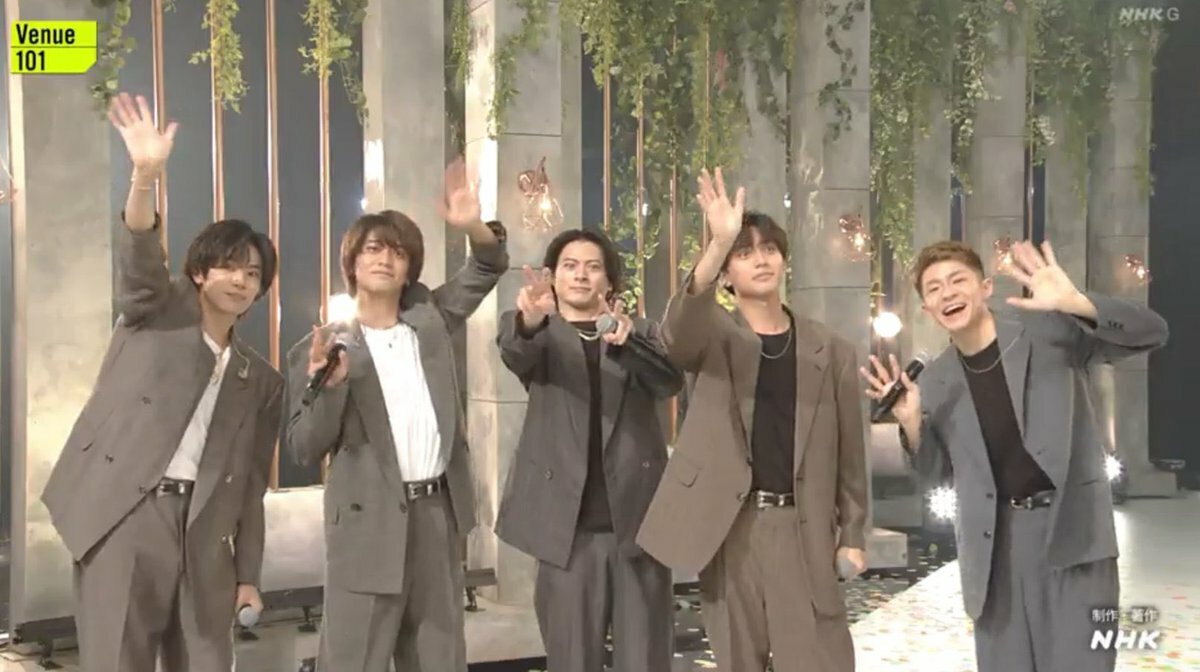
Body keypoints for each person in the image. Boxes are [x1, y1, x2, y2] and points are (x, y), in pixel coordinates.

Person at [41, 93, 283, 672]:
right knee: (116, 660)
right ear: (199, 272)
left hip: (204, 533)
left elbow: (251, 486)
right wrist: (145, 177)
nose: (240, 280)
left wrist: (248, 574)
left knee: (204, 661)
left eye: (253, 273)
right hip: (128, 514)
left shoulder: (261, 380)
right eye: (228, 266)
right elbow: (140, 258)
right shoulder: (155, 311)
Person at [861, 239, 1169, 672]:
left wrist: (1077, 303)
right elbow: (938, 477)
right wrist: (912, 424)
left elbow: (1152, 332)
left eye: (957, 280)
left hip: (1074, 531)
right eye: (934, 288)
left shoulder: (1048, 332)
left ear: (985, 287)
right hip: (994, 551)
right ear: (927, 309)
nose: (947, 293)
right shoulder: (935, 382)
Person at [636, 168, 867, 672]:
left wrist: (853, 532)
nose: (761, 260)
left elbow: (852, 454)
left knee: (820, 658)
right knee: (738, 657)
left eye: (769, 249)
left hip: (802, 525)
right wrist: (718, 242)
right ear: (726, 276)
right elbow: (676, 335)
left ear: (783, 260)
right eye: (745, 253)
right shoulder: (713, 338)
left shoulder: (832, 350)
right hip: (730, 525)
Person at [285, 162, 508, 672]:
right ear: (352, 262)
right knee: (354, 658)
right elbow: (302, 447)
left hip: (436, 515)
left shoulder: (431, 321)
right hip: (365, 523)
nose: (385, 259)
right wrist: (329, 389)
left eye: (398, 251)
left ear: (410, 270)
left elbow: (487, 267)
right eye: (373, 248)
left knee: (438, 657)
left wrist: (472, 224)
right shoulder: (321, 348)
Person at [495, 229, 682, 672]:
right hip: (566, 532)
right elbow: (516, 352)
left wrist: (626, 341)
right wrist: (531, 321)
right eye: (570, 266)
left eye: (593, 267)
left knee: (646, 658)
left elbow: (669, 381)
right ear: (553, 278)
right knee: (572, 659)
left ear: (609, 282)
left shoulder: (639, 333)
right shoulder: (537, 332)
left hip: (638, 526)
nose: (581, 275)